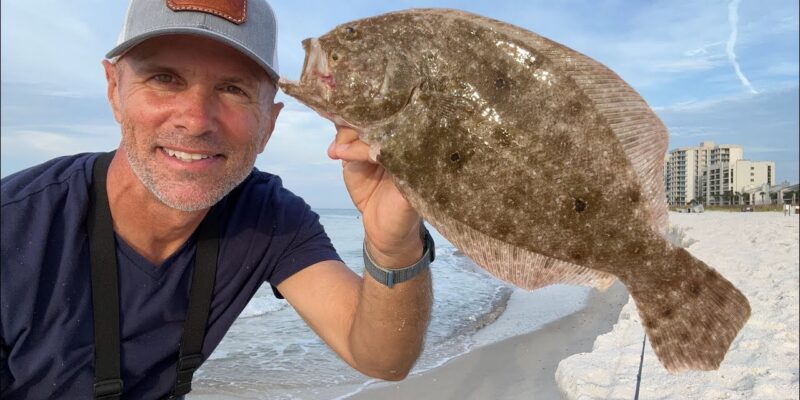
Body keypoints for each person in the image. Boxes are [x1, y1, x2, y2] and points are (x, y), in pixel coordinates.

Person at [0, 0, 433, 398]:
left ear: (269, 124)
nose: (195, 120)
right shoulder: (13, 227)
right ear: (115, 89)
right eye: (164, 78)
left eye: (233, 89)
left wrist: (393, 247)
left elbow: (382, 360)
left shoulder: (269, 217)